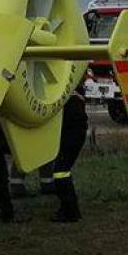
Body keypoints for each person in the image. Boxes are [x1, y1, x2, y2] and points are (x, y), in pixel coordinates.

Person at [50, 84, 90, 222]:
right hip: (74, 133)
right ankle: (68, 209)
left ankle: (71, 212)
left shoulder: (68, 96)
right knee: (62, 171)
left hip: (72, 134)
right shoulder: (73, 93)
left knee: (60, 172)